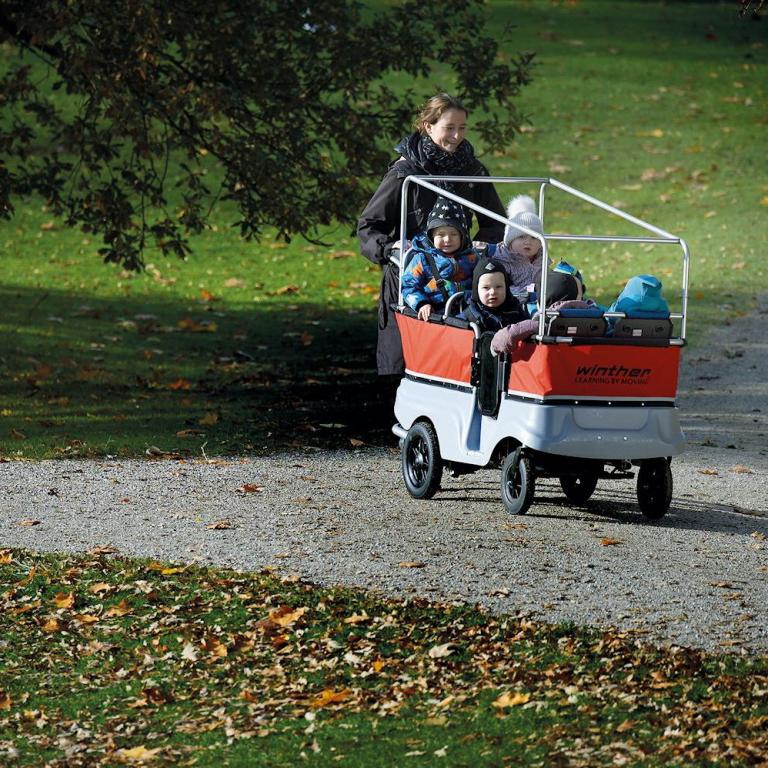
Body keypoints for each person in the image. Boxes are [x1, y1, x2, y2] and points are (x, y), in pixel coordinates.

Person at [357, 92, 506, 380]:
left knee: (459, 366)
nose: (456, 136)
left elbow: (496, 222)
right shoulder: (405, 172)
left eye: (462, 128)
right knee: (407, 366)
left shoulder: (473, 170)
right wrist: (391, 249)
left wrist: (479, 248)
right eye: (449, 128)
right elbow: (369, 225)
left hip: (460, 277)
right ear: (428, 126)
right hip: (412, 277)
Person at [401, 197, 480, 321]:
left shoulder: (472, 258)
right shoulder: (422, 259)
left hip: (468, 309)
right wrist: (422, 303)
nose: (447, 239)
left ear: (462, 237)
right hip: (435, 313)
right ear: (431, 237)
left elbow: (484, 280)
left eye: (453, 234)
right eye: (441, 235)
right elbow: (408, 285)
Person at [491, 271, 594, 354]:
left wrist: (493, 347)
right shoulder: (595, 319)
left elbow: (507, 337)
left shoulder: (543, 323)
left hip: (551, 367)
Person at [488, 194, 547, 295]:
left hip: (541, 299)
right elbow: (501, 289)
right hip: (515, 300)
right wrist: (530, 291)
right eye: (521, 237)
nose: (528, 242)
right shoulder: (503, 261)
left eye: (533, 237)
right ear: (510, 241)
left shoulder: (542, 258)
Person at [461, 256, 527, 331]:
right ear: (476, 290)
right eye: (486, 287)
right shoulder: (470, 316)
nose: (493, 292)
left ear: (506, 288)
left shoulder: (516, 310)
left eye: (498, 286)